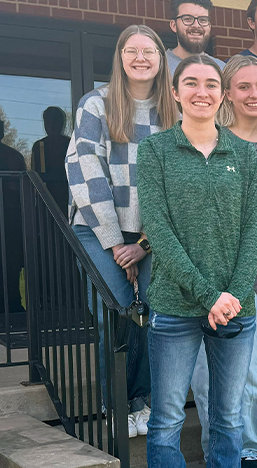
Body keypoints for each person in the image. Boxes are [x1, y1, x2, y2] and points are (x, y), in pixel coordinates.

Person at [138, 54, 257, 468]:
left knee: (228, 424)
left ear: (225, 94)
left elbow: (254, 230)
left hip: (234, 310)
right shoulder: (156, 151)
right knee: (166, 424)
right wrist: (207, 293)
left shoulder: (244, 154)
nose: (202, 92)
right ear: (175, 91)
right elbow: (158, 231)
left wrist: (233, 293)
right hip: (175, 308)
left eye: (212, 84)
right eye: (192, 83)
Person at [67, 25, 177, 439]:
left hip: (156, 234)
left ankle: (145, 403)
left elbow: (176, 181)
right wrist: (117, 242)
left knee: (158, 312)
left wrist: (145, 244)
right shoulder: (96, 104)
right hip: (99, 231)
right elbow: (84, 170)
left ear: (161, 58)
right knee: (113, 314)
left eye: (149, 51)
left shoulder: (175, 110)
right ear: (120, 57)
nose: (141, 58)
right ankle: (113, 402)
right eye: (131, 50)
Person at [190, 54, 257, 468]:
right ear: (227, 92)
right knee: (207, 374)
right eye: (244, 86)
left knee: (251, 371)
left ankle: (249, 446)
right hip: (205, 276)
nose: (254, 94)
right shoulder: (207, 141)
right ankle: (218, 446)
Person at [166, 0, 225, 74]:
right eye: (188, 19)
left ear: (209, 26)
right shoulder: (158, 66)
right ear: (174, 26)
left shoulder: (222, 70)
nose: (196, 25)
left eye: (203, 20)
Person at [30, 106, 71, 210]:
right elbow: (35, 176)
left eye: (55, 121)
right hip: (45, 199)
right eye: (48, 122)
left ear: (62, 123)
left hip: (67, 198)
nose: (51, 126)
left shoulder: (71, 145)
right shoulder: (39, 146)